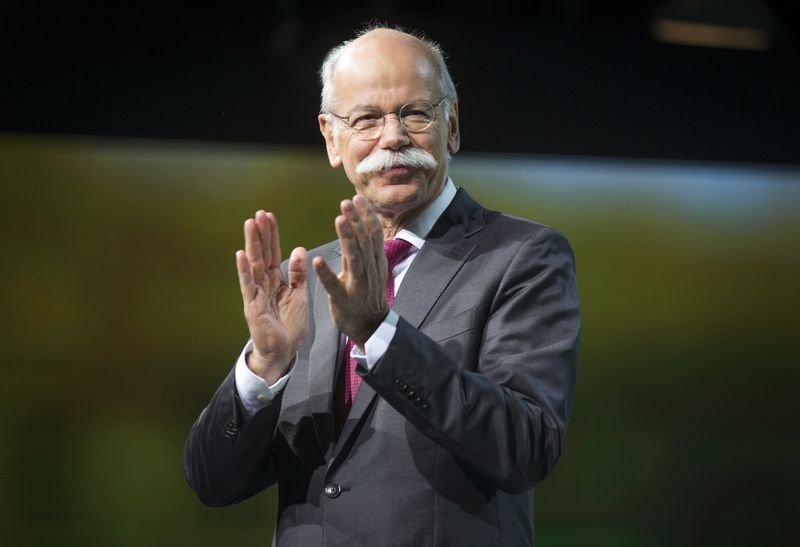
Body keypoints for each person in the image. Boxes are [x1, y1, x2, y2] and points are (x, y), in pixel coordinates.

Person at [184, 25, 580, 547]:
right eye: (366, 119)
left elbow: (526, 446)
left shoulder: (521, 257)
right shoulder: (304, 282)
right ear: (332, 138)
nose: (392, 136)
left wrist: (380, 332)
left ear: (452, 126)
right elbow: (213, 483)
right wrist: (264, 366)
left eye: (414, 114)